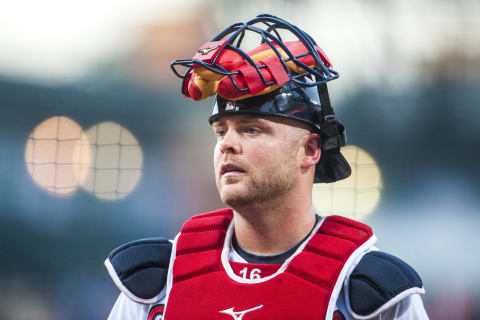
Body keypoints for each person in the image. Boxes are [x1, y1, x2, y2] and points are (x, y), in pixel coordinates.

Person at [105, 14, 429, 320]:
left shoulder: (367, 292)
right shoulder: (156, 284)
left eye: (251, 129)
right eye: (221, 131)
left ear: (311, 150)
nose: (227, 144)